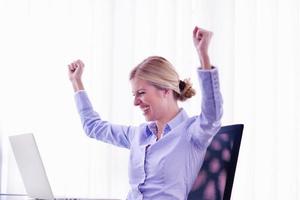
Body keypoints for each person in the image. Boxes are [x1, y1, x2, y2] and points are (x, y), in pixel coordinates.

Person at [68, 26, 223, 200]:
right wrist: (76, 82)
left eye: (141, 93)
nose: (135, 102)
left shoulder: (192, 133)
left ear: (165, 89)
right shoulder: (139, 135)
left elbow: (212, 115)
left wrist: (203, 55)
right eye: (134, 95)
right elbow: (93, 127)